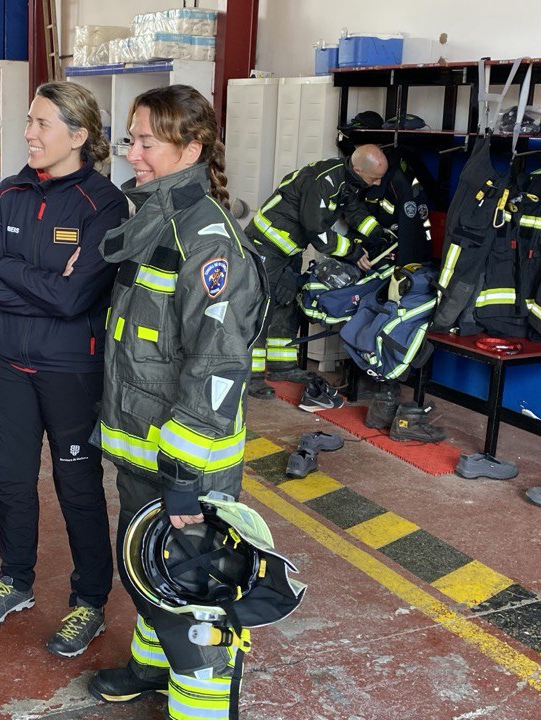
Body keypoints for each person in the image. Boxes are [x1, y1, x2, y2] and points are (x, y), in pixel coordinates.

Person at [86, 84, 266, 718]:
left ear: (192, 147)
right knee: (150, 567)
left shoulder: (207, 238)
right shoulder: (156, 215)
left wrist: (187, 476)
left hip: (185, 462)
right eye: (130, 138)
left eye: (145, 142)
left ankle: (202, 707)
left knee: (194, 585)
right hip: (146, 449)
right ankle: (152, 667)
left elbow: (217, 366)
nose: (131, 152)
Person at [0, 81, 128, 656]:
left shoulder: (104, 204)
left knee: (76, 486)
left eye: (41, 124)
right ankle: (16, 581)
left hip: (71, 371)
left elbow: (75, 299)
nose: (28, 133)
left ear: (78, 136)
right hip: (10, 361)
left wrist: (14, 272)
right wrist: (44, 284)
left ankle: (89, 603)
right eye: (29, 121)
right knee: (10, 477)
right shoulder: (11, 191)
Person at [244, 145, 389, 398]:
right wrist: (353, 251)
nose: (377, 184)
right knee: (261, 309)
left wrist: (377, 233)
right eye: (374, 178)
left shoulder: (348, 181)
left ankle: (282, 366)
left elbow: (353, 211)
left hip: (289, 250)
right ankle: (250, 375)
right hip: (266, 246)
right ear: (358, 169)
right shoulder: (323, 181)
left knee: (287, 305)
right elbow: (317, 231)